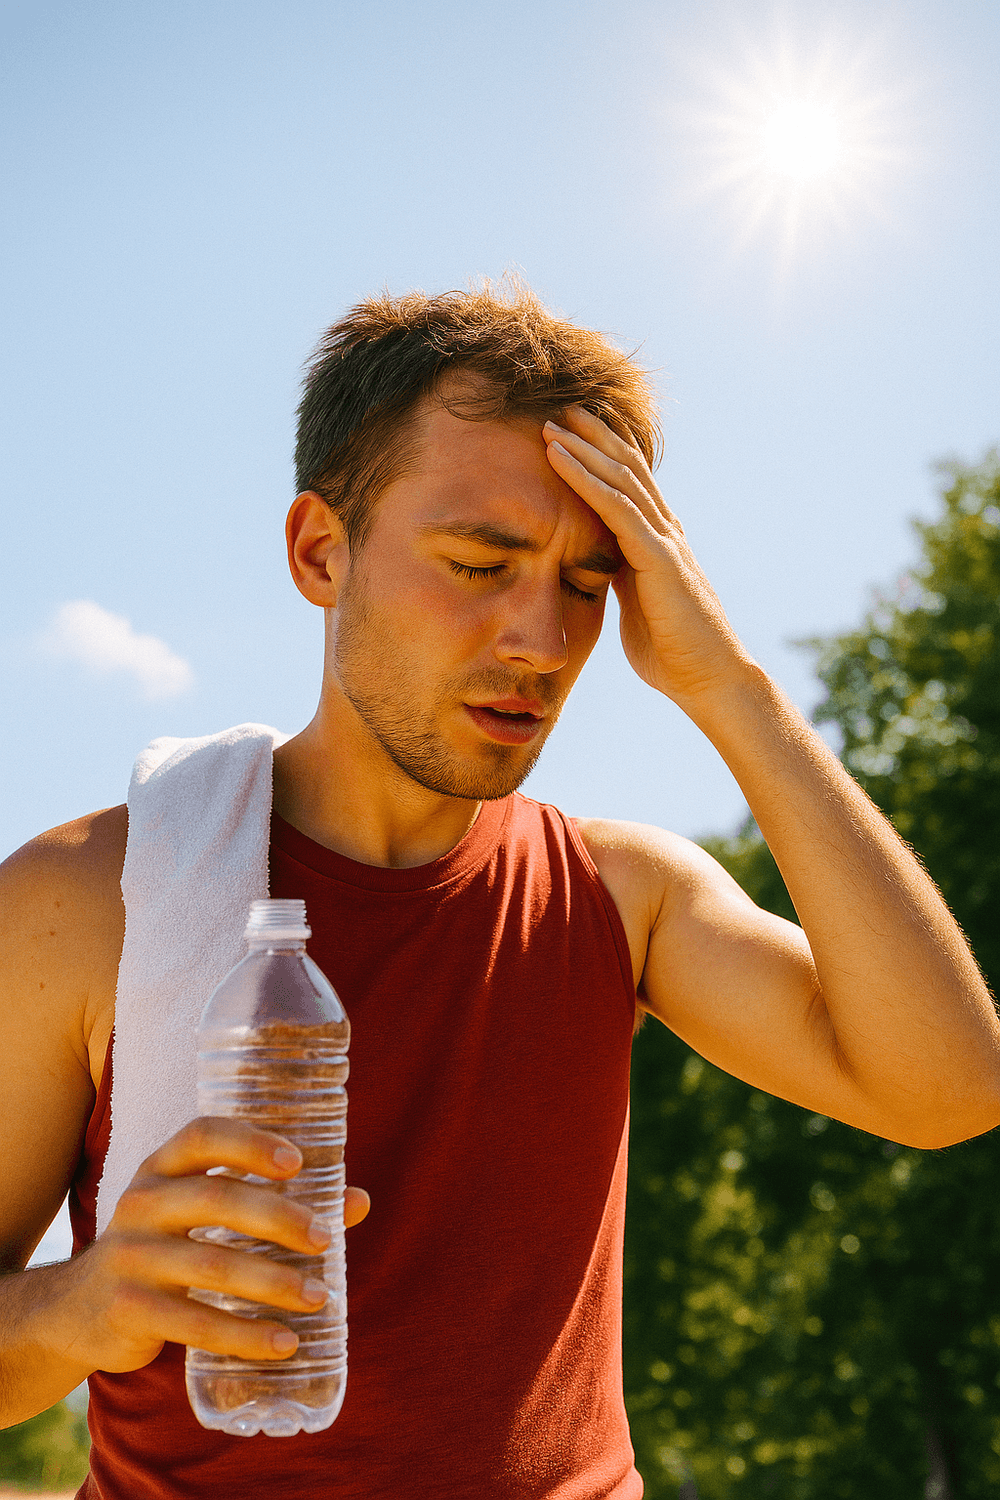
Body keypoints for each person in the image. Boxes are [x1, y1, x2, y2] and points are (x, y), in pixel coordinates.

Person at [2, 281, 999, 1500]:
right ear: (322, 551)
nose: (541, 635)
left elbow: (949, 1088)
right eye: (481, 562)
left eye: (589, 582)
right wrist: (78, 1310)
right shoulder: (85, 901)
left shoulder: (620, 896)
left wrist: (726, 684)